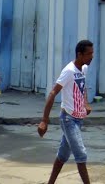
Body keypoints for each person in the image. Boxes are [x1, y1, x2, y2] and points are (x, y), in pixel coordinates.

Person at [38, 39, 94, 184]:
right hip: (68, 119)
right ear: (80, 54)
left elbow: (83, 87)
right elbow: (52, 93)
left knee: (63, 155)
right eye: (89, 54)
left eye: (92, 53)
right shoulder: (68, 71)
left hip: (78, 119)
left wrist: (85, 103)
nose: (92, 56)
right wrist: (44, 120)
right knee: (81, 155)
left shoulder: (84, 69)